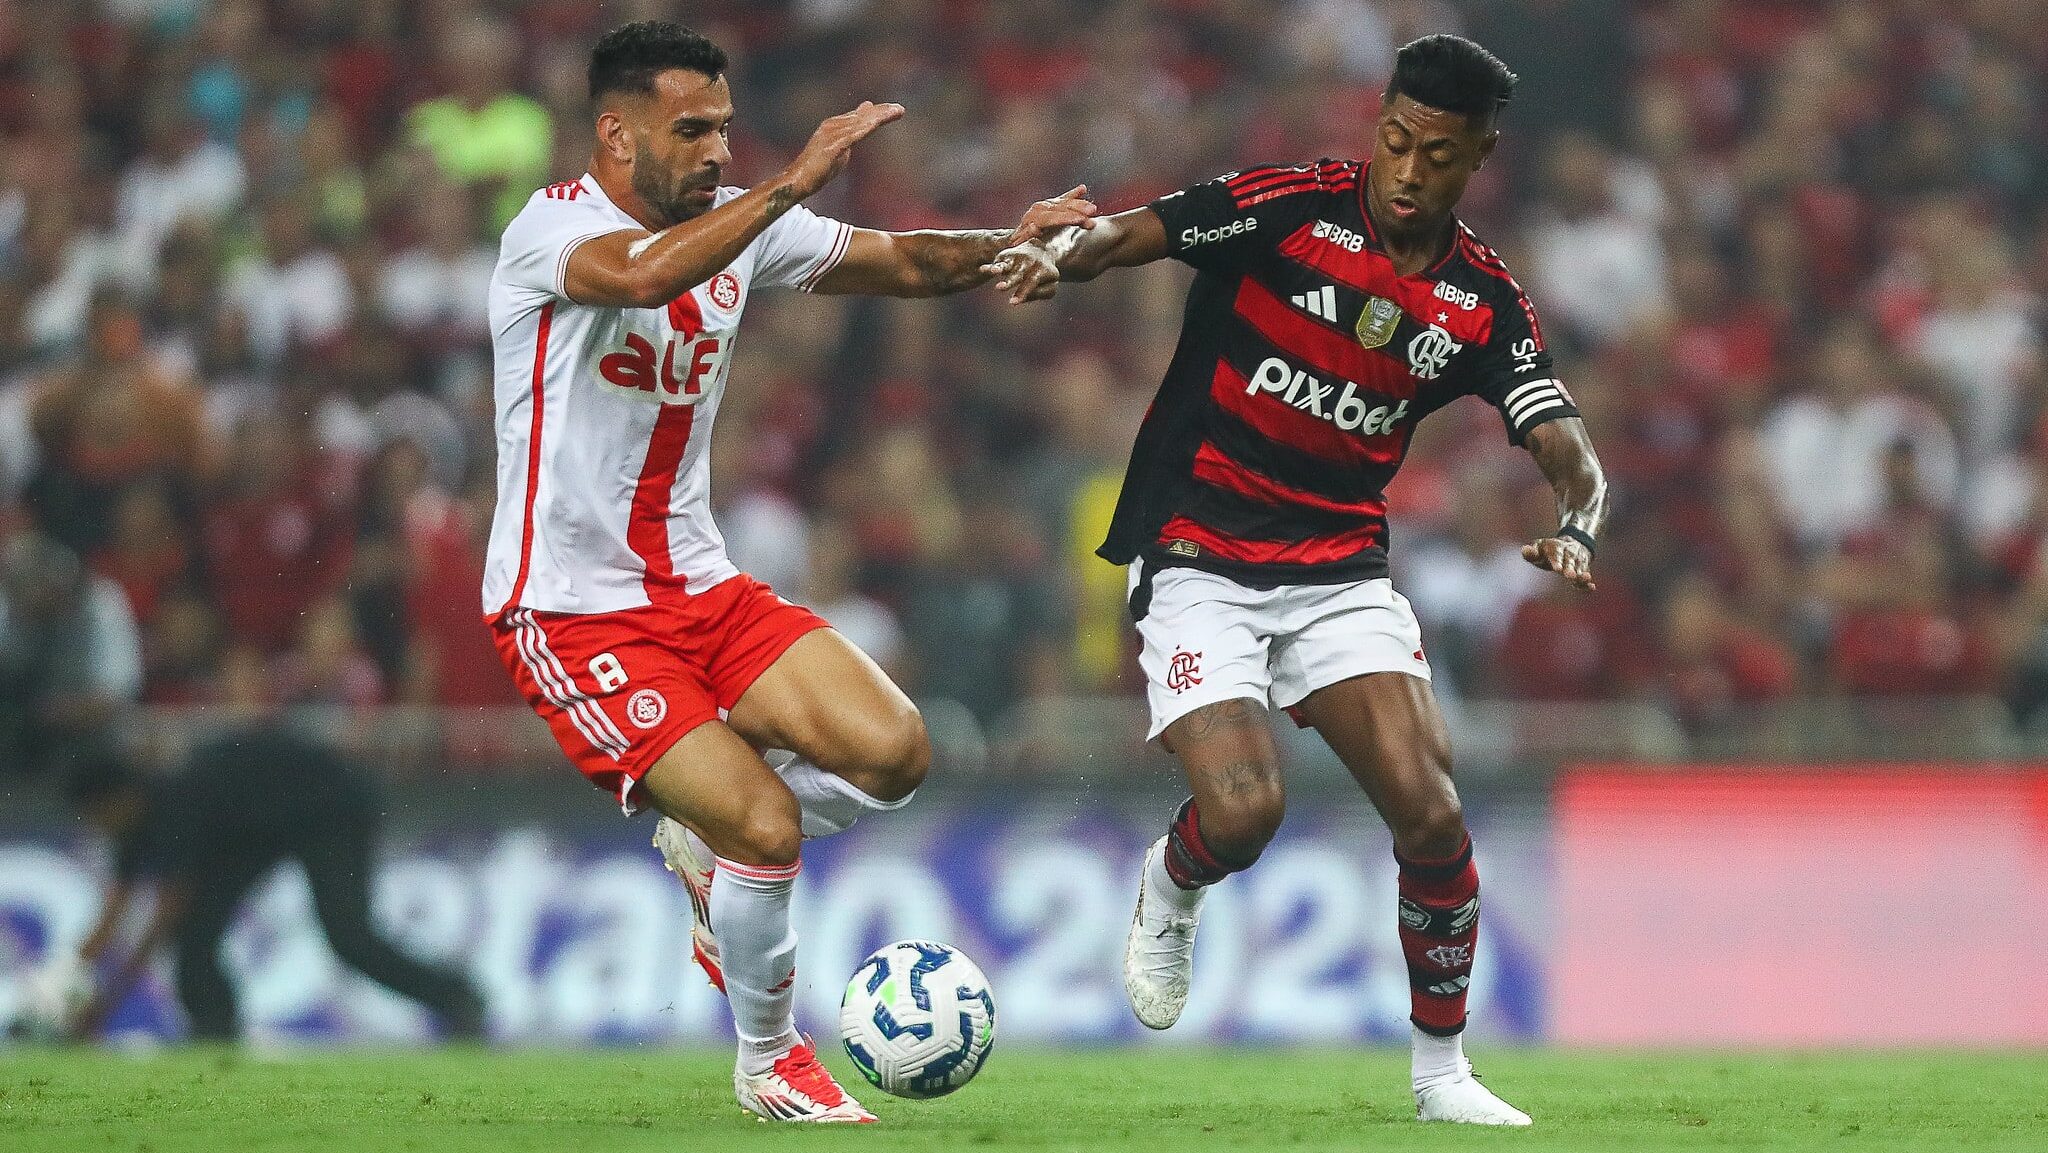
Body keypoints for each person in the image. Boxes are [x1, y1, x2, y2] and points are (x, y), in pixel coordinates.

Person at [989, 34, 1610, 1126]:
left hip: (1335, 568)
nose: (1408, 172)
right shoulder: (1289, 206)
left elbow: (1557, 433)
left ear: (1479, 160)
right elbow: (1137, 231)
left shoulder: (1480, 300)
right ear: (1377, 124)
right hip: (1197, 549)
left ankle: (1440, 1076)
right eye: (1396, 142)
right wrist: (1058, 252)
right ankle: (1171, 885)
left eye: (1438, 155)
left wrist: (1578, 520)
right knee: (1242, 812)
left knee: (1429, 809)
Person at [482, 22, 1090, 1123]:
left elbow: (902, 260)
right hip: (569, 608)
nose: (719, 149)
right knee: (762, 824)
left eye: (724, 126)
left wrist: (1020, 239)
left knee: (894, 749)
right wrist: (787, 184)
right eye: (691, 129)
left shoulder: (738, 230)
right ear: (615, 133)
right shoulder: (550, 231)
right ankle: (769, 1060)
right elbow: (638, 276)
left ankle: (707, 848)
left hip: (699, 586)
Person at [53, 700, 486, 1042]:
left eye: (94, 815)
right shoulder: (136, 820)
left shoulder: (170, 810)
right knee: (197, 931)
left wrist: (102, 1008)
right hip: (258, 830)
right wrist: (66, 975)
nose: (96, 827)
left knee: (348, 936)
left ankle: (457, 998)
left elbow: (164, 918)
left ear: (116, 799)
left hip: (329, 808)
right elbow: (113, 914)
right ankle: (214, 1030)